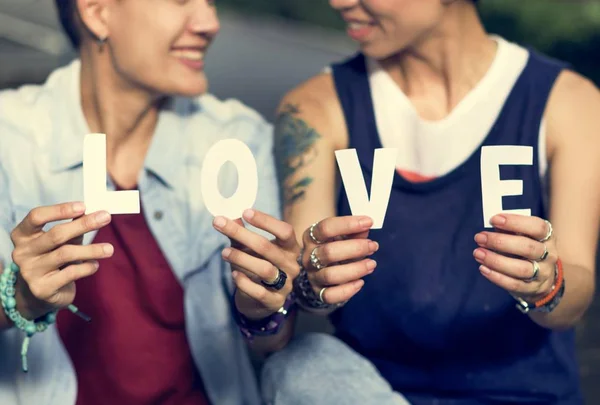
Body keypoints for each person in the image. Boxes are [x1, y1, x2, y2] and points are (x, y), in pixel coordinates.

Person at [262, 0, 600, 404]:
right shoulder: (315, 107)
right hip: (373, 391)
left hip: (523, 393)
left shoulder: (570, 103)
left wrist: (548, 283)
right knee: (301, 366)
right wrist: (312, 282)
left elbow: (574, 297)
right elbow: (305, 286)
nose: (339, 2)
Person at [0, 1, 311, 404]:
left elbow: (274, 342)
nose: (208, 23)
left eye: (210, 2)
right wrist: (19, 298)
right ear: (97, 12)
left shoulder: (238, 138)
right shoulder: (10, 137)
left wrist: (265, 308)